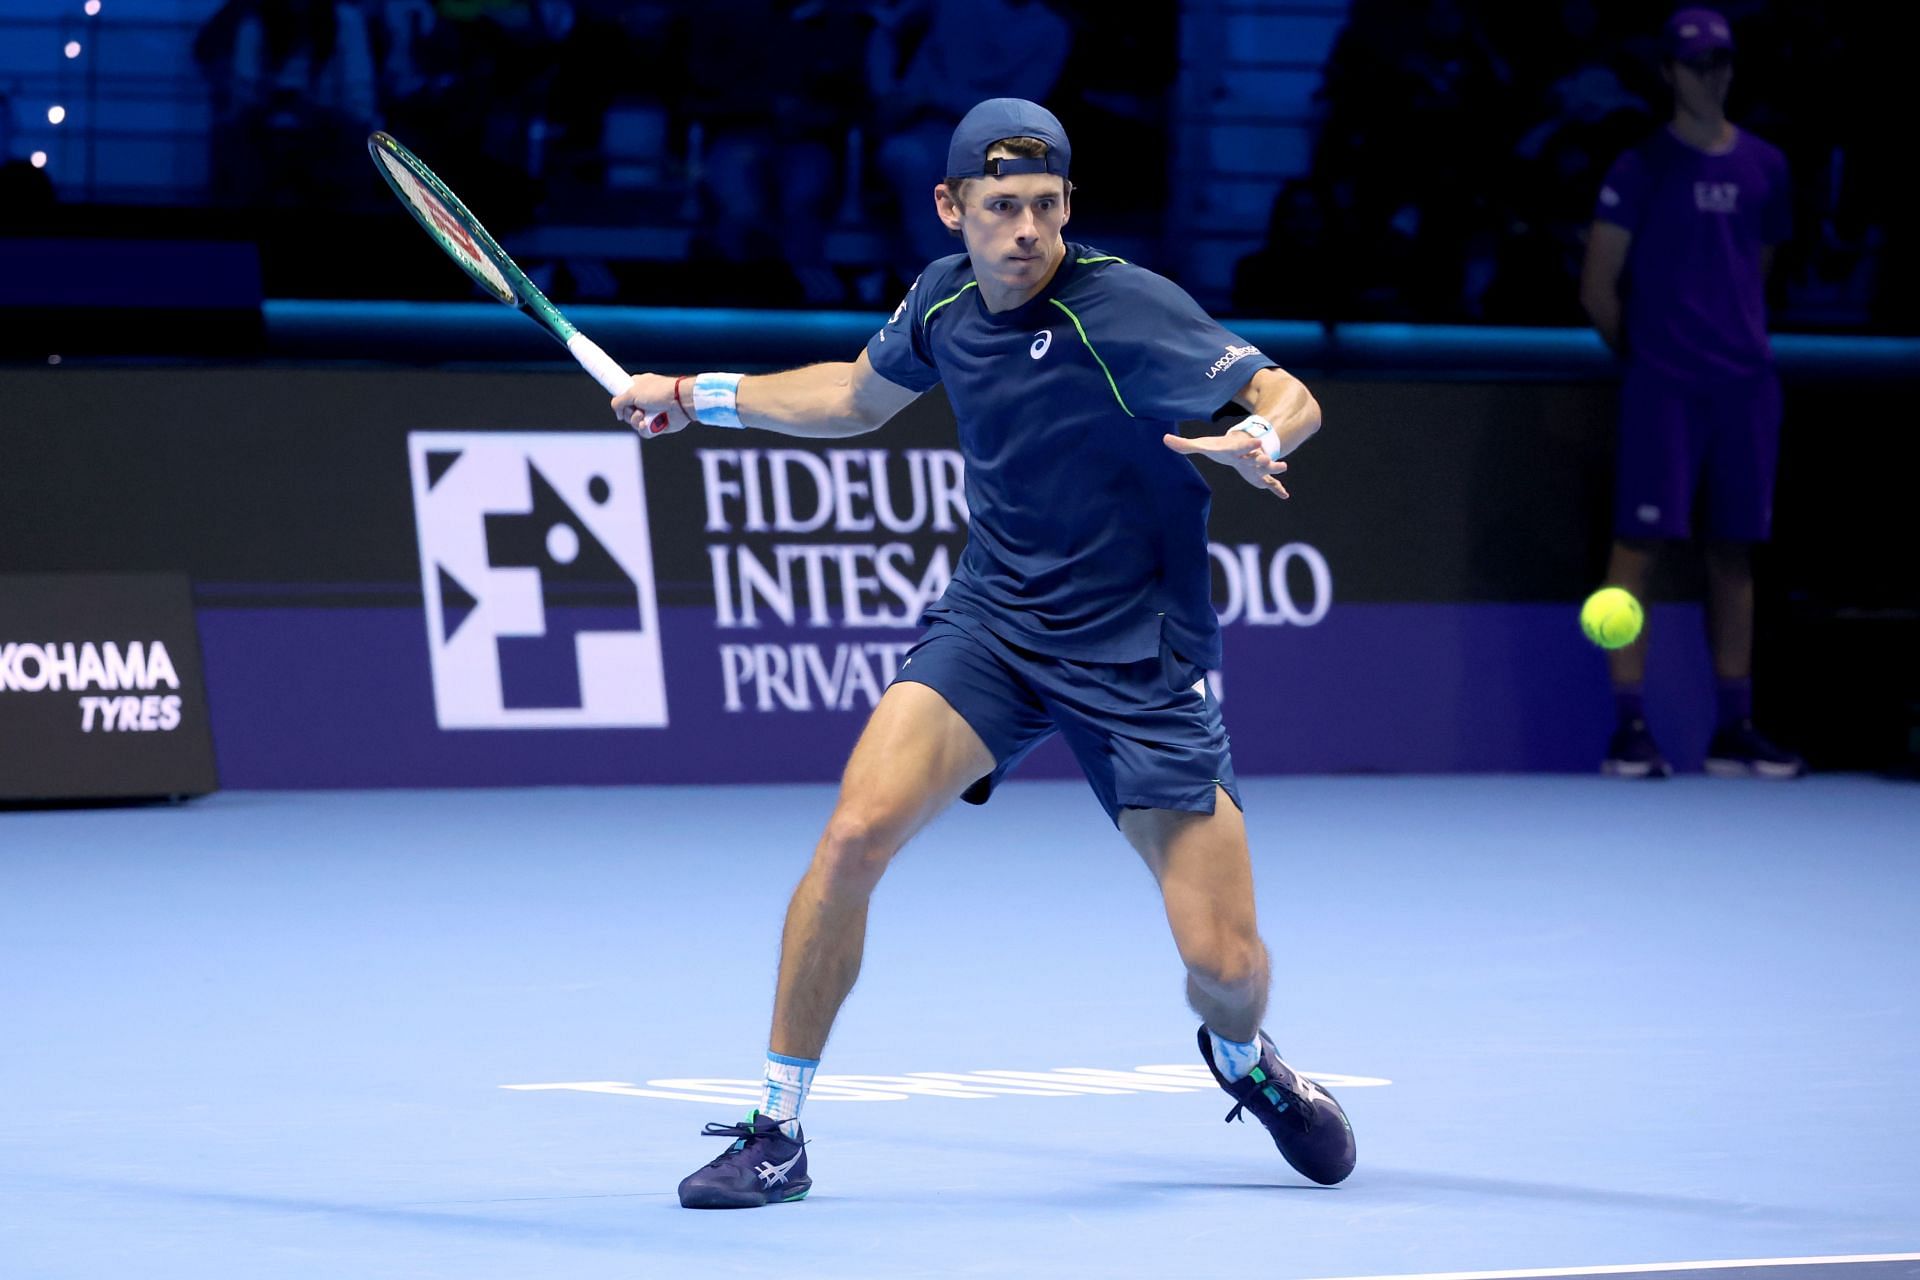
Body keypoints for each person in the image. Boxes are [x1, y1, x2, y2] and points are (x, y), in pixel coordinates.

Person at [612, 97, 1356, 1208]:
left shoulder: (1124, 306)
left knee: (1226, 966)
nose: (1025, 232)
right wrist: (692, 396)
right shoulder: (943, 299)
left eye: (1046, 207)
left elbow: (1283, 393)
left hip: (1137, 657)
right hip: (996, 626)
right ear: (951, 207)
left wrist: (1258, 435)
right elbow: (855, 398)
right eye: (1001, 207)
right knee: (855, 833)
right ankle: (777, 1127)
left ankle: (1245, 1060)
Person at [1578, 8, 1804, 780]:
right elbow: (1599, 286)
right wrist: (1652, 359)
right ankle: (1629, 727)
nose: (1712, 75)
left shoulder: (1767, 167)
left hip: (1745, 386)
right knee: (1636, 549)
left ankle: (1734, 726)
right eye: (1697, 63)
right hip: (1662, 387)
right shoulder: (1640, 167)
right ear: (1671, 72)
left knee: (1734, 550)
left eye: (1722, 62)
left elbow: (1759, 268)